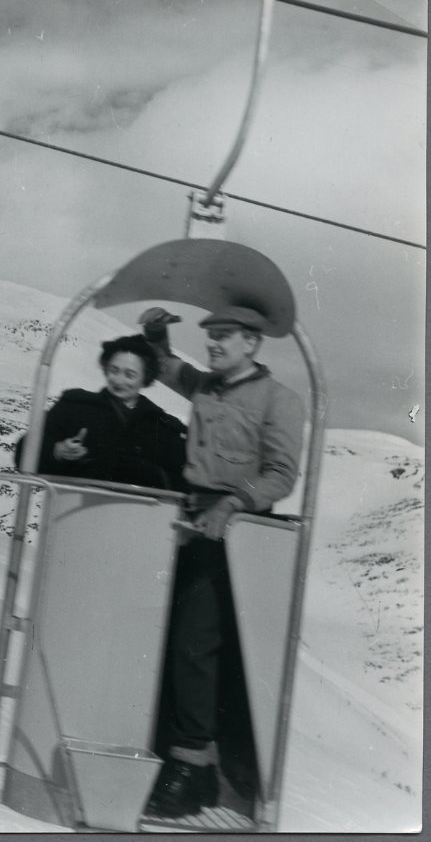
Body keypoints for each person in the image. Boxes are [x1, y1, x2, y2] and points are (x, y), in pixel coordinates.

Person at [139, 304, 305, 820]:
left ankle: (196, 770)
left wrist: (233, 503)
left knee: (197, 643)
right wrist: (155, 333)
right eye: (210, 335)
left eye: (224, 336)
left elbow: (281, 473)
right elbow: (168, 368)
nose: (213, 343)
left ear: (252, 343)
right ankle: (179, 759)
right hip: (187, 520)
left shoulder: (279, 399)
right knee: (172, 640)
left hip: (233, 531)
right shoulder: (207, 386)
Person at [15, 334, 187, 492]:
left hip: (137, 519)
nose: (119, 380)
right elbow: (24, 451)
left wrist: (153, 474)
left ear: (145, 378)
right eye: (114, 370)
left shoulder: (162, 424)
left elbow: (185, 480)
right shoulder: (75, 406)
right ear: (105, 369)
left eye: (130, 375)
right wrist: (57, 451)